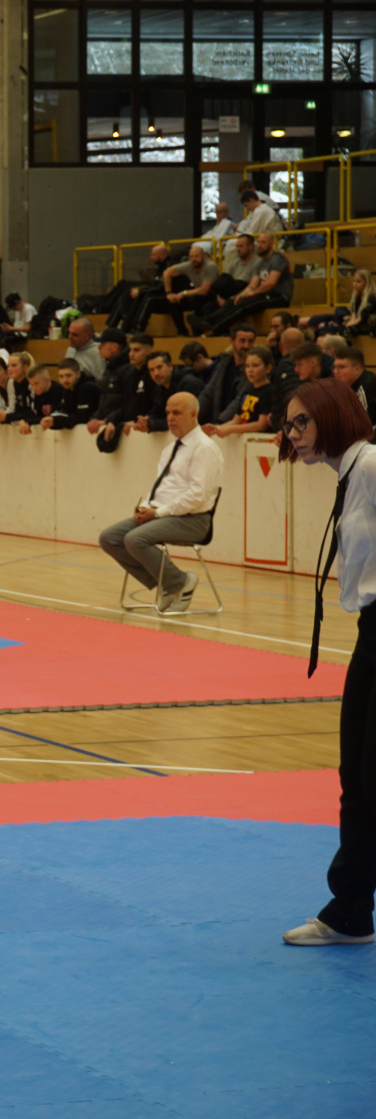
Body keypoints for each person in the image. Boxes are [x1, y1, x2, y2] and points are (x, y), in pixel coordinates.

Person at [278, 377, 376, 945]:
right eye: (288, 424)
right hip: (373, 632)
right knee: (355, 780)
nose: (292, 434)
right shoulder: (351, 473)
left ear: (335, 416)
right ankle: (351, 913)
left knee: (373, 778)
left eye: (302, 422)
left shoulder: (372, 466)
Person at [97, 391, 223, 613]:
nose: (170, 418)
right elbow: (162, 488)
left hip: (194, 520)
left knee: (135, 539)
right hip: (164, 514)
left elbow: (197, 496)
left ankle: (180, 582)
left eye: (177, 413)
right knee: (110, 538)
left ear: (193, 415)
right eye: (167, 413)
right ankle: (167, 583)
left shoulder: (204, 448)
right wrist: (146, 507)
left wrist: (157, 513)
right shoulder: (170, 448)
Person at [206, 232, 293, 335]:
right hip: (265, 295)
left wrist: (252, 293)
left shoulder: (278, 259)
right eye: (259, 242)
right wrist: (242, 295)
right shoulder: (261, 263)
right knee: (233, 301)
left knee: (246, 305)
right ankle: (207, 322)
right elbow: (252, 285)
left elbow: (270, 283)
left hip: (279, 296)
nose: (260, 245)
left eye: (263, 242)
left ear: (271, 243)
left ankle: (215, 329)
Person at [203, 345, 281, 437]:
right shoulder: (247, 390)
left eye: (255, 365)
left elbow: (261, 425)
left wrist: (229, 430)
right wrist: (216, 429)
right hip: (242, 437)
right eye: (247, 366)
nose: (250, 370)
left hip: (258, 439)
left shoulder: (269, 391)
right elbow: (236, 420)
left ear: (268, 368)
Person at [337, 349, 376, 417]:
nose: (335, 371)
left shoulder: (366, 386)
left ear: (357, 369)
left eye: (341, 367)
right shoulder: (344, 385)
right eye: (334, 367)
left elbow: (363, 421)